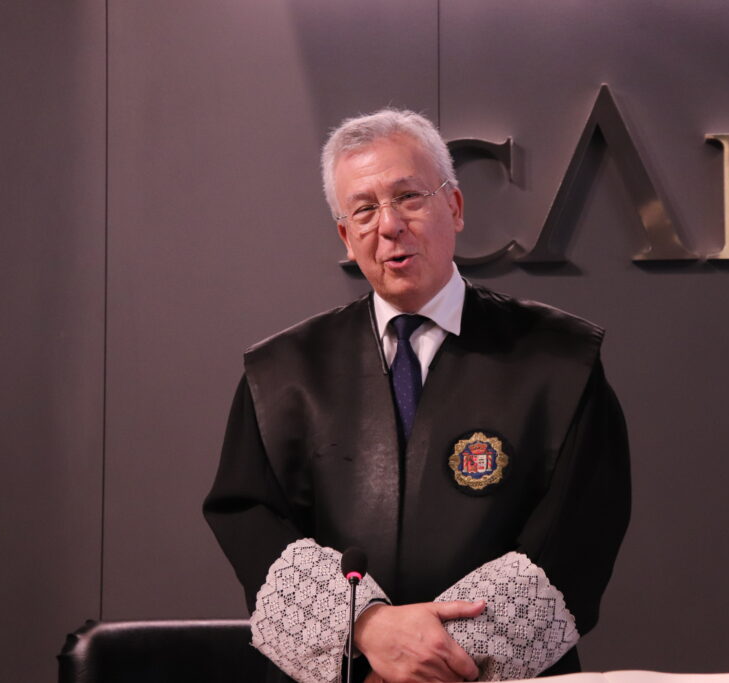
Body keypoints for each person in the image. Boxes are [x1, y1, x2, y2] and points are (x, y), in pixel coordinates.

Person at [203, 109, 631, 683]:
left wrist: (430, 661)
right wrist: (368, 631)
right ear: (346, 236)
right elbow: (252, 521)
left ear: (454, 206)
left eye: (408, 197)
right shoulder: (280, 374)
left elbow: (578, 535)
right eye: (363, 210)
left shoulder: (560, 359)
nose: (389, 226)